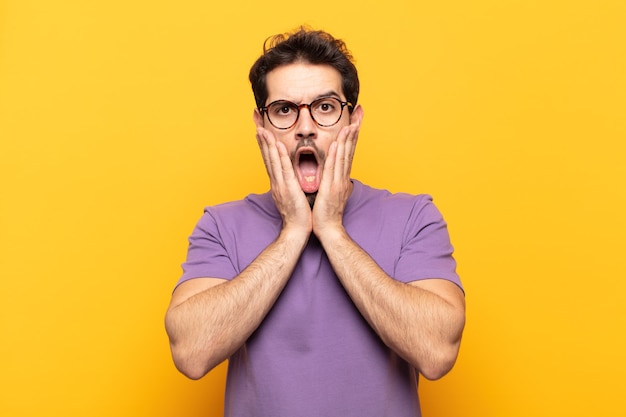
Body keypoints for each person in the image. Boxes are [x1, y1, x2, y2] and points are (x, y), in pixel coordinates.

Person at [165, 27, 465, 417]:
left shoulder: (413, 217)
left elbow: (438, 352)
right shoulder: (220, 225)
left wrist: (332, 230)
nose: (305, 127)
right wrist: (292, 232)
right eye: (285, 110)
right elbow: (190, 353)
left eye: (325, 107)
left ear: (352, 120)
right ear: (262, 125)